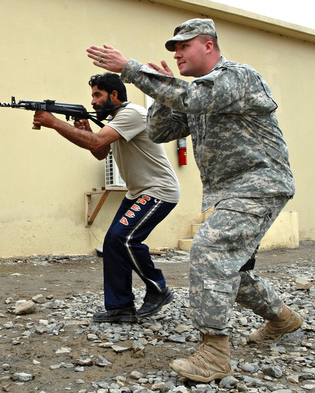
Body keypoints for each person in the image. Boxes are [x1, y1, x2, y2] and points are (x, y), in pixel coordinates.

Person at [86, 18, 302, 382]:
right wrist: (158, 94)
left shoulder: (235, 77)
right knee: (232, 268)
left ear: (208, 45)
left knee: (210, 250)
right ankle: (283, 318)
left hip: (260, 184)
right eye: (174, 49)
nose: (177, 53)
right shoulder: (197, 92)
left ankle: (214, 354)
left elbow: (191, 97)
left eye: (184, 46)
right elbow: (162, 130)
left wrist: (131, 70)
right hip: (231, 191)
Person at [32, 73, 180, 324]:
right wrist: (85, 130)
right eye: (92, 96)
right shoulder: (116, 120)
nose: (93, 101)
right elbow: (99, 151)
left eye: (97, 95)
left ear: (114, 95)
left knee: (123, 238)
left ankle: (158, 289)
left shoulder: (131, 113)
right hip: (137, 193)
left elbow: (97, 142)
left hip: (158, 190)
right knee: (112, 243)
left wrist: (55, 122)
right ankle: (120, 307)